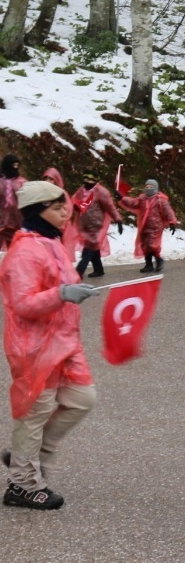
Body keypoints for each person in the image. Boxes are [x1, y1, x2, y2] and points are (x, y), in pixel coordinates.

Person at [1, 181, 99, 509]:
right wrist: (62, 294)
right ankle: (22, 485)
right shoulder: (25, 250)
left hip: (65, 342)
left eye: (64, 205)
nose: (65, 212)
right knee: (34, 413)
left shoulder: (51, 241)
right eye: (57, 207)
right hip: (35, 347)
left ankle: (26, 457)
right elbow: (23, 304)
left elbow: (62, 285)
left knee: (83, 398)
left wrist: (74, 290)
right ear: (37, 210)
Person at [120, 179, 178, 274]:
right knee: (145, 246)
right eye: (147, 187)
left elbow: (168, 211)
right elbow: (133, 203)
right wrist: (122, 198)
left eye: (151, 187)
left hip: (155, 227)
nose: (148, 189)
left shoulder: (160, 200)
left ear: (155, 188)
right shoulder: (142, 199)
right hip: (144, 226)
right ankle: (149, 264)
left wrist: (172, 222)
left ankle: (158, 260)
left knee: (152, 246)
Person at [70, 173, 122, 278]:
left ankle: (78, 272)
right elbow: (73, 203)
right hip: (84, 225)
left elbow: (110, 207)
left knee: (88, 250)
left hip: (96, 226)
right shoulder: (80, 191)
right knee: (94, 249)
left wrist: (118, 220)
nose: (88, 183)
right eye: (86, 180)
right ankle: (99, 269)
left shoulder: (101, 192)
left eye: (91, 180)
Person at [0, 153, 25, 250]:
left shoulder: (22, 182)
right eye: (13, 165)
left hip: (17, 219)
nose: (15, 168)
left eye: (17, 166)